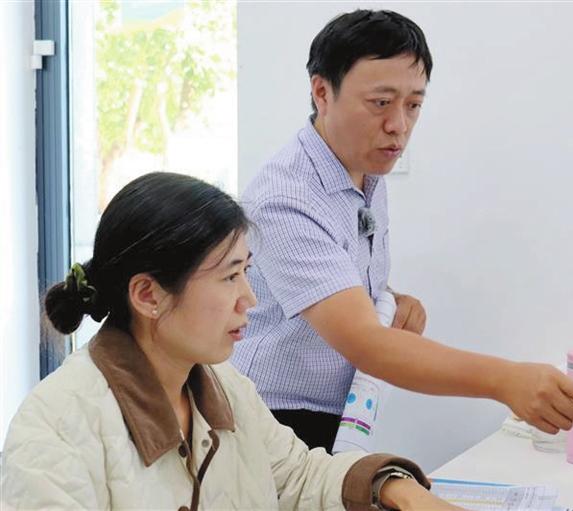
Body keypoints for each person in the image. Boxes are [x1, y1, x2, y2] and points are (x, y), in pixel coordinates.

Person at [232, 9, 573, 453]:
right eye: (381, 103)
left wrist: (386, 297)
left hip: (337, 412)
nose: (399, 125)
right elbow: (368, 345)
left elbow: (332, 275)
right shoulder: (286, 198)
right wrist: (507, 380)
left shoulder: (364, 171)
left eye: (413, 105)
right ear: (322, 92)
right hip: (272, 419)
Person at [0, 172, 463, 511]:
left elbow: (298, 476)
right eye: (229, 277)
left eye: (246, 271)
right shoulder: (56, 427)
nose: (250, 298)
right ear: (148, 295)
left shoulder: (226, 387)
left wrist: (395, 488)